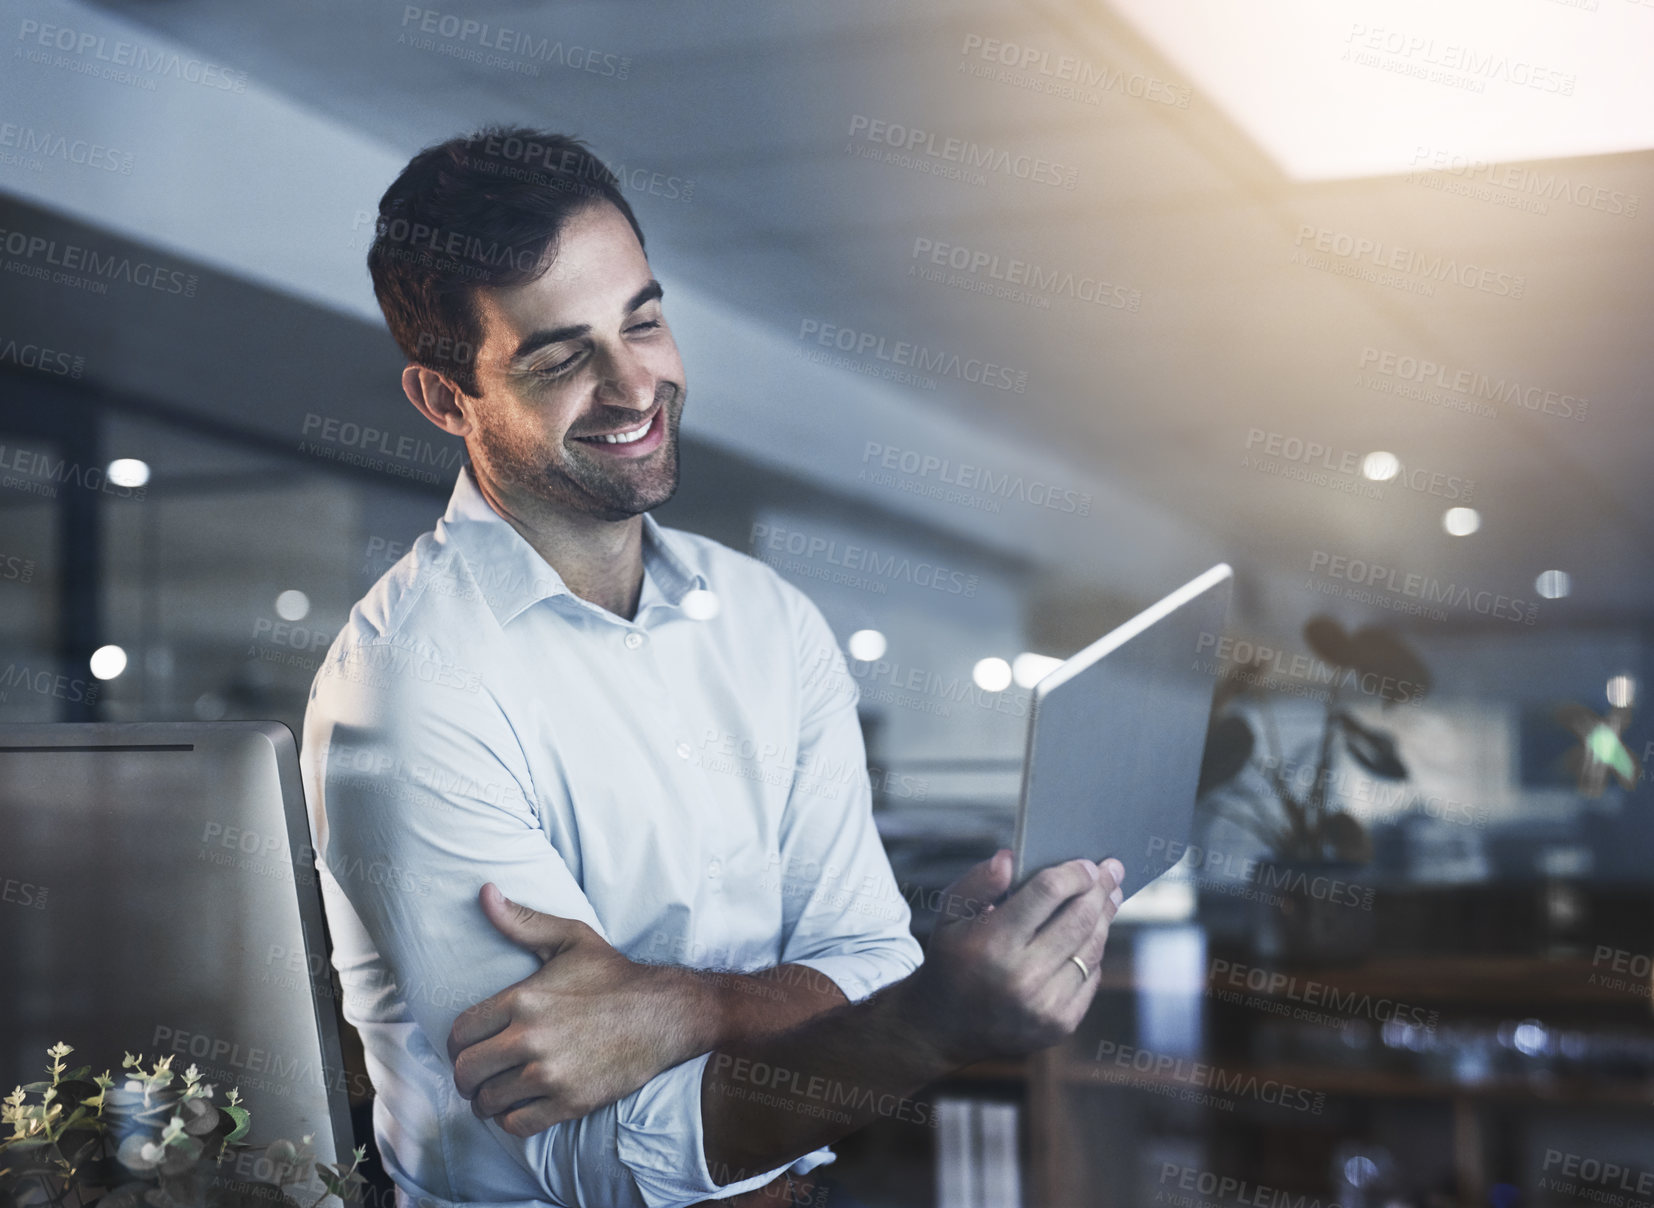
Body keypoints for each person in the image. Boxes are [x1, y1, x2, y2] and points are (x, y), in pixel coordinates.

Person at [300, 126, 1125, 1208]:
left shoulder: (765, 619)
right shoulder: (405, 695)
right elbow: (592, 1149)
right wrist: (922, 1020)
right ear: (447, 400)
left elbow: (871, 958)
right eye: (558, 356)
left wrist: (682, 1006)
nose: (632, 383)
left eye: (642, 319)